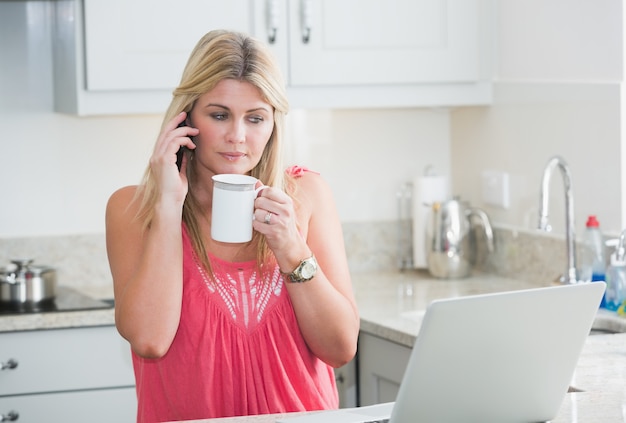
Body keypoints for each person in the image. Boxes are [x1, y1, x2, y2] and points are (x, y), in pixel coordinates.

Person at [105, 29, 360, 422]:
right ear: (186, 118)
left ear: (273, 123)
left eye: (255, 118)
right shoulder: (133, 208)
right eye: (219, 114)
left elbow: (341, 349)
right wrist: (169, 207)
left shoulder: (307, 194)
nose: (237, 138)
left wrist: (292, 249)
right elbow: (150, 341)